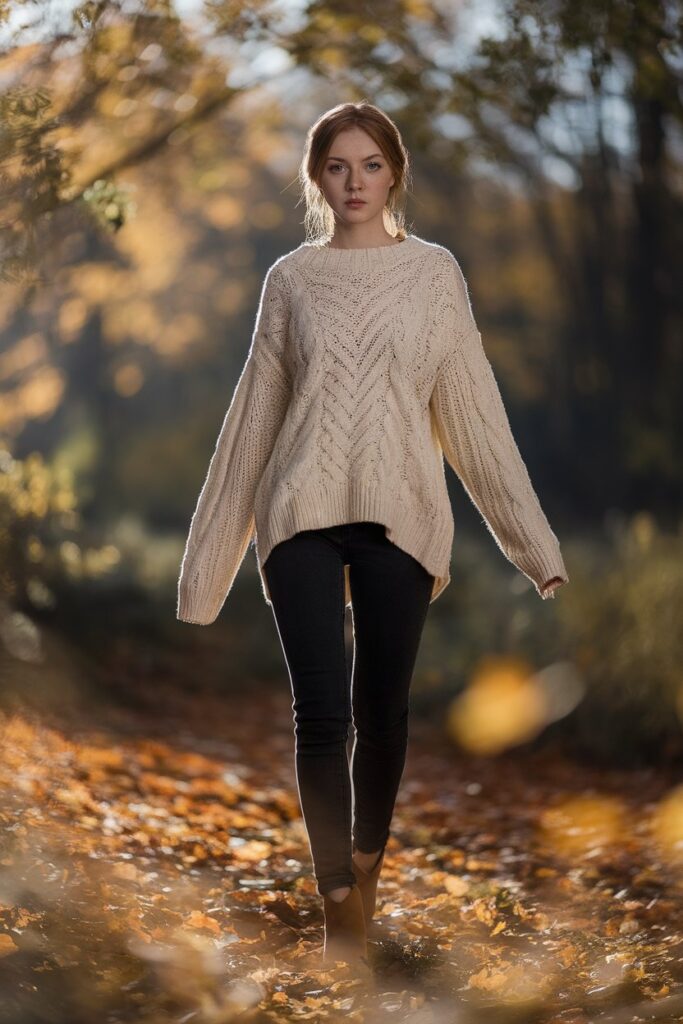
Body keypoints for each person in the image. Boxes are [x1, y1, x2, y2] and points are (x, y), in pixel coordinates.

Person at [176, 101, 569, 970]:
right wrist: (206, 569)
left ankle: (365, 863)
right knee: (319, 715)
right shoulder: (291, 280)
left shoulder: (433, 276)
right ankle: (336, 902)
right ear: (316, 179)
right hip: (298, 515)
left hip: (401, 517)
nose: (352, 183)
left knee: (379, 714)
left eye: (369, 166)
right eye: (335, 167)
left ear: (394, 173)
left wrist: (533, 549)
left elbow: (472, 417)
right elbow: (251, 422)